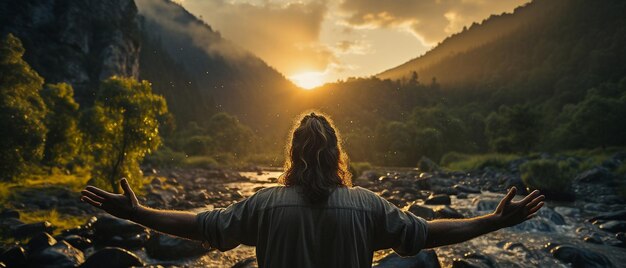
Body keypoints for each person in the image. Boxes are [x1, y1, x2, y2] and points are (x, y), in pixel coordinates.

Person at [80, 112, 545, 267]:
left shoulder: (263, 205)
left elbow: (202, 227)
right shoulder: (368, 207)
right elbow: (429, 233)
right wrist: (494, 221)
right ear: (338, 155)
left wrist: (138, 213)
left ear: (292, 155)